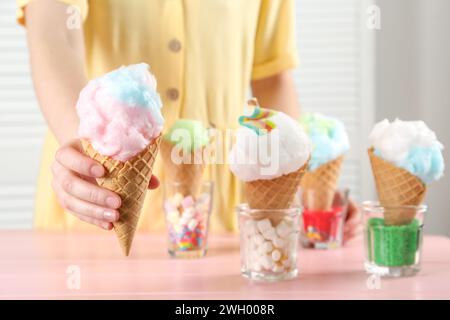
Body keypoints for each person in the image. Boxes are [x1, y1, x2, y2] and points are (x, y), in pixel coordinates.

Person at [18, 0, 361, 239]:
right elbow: (54, 31)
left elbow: (271, 77)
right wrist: (85, 148)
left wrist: (296, 185)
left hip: (220, 209)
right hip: (96, 198)